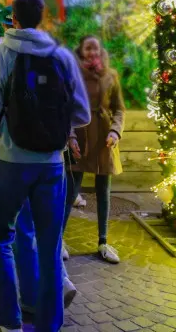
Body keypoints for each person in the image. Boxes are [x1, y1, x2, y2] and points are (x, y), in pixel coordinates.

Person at [0, 0, 90, 332]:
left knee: (1, 234)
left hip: (12, 161)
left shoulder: (1, 53)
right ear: (43, 17)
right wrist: (57, 127)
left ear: (12, 17)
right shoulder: (60, 55)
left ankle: (10, 322)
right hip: (51, 163)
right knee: (50, 243)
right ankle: (49, 325)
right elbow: (83, 113)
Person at [64, 35, 125, 265]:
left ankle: (103, 240)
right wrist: (70, 135)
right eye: (87, 49)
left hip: (104, 139)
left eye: (95, 49)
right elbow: (67, 107)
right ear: (81, 51)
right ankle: (59, 239)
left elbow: (119, 109)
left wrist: (115, 132)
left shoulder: (112, 75)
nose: (92, 53)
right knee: (71, 189)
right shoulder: (73, 75)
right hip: (80, 136)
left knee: (104, 191)